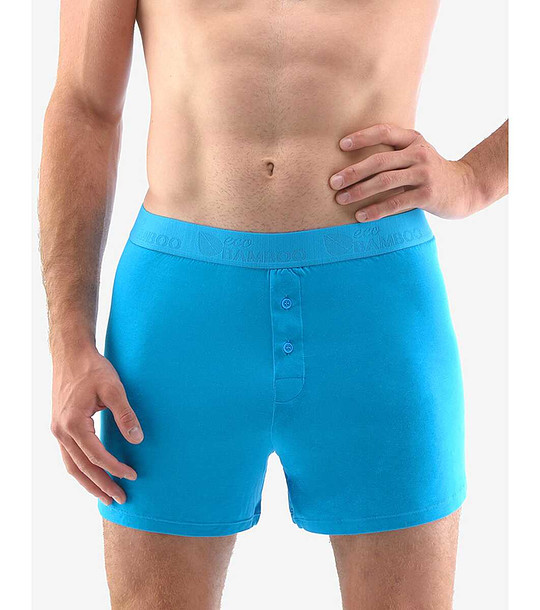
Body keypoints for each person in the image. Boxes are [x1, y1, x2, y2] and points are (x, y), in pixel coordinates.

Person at [38, 1, 508, 608]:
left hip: (377, 312)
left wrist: (473, 180)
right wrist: (68, 343)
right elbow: (84, 105)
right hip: (181, 317)